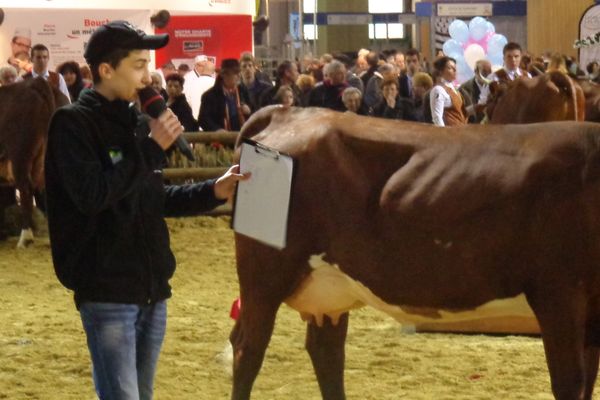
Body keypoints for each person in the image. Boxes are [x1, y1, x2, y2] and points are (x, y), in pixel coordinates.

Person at [44, 20, 249, 400]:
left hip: (152, 287)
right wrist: (152, 149)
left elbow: (154, 198)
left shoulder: (137, 123)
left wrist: (213, 191)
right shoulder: (72, 124)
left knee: (142, 393)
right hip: (107, 289)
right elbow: (92, 195)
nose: (148, 76)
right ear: (106, 70)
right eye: (138, 65)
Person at [199, 58, 252, 131]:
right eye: (235, 73)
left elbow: (255, 112)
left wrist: (249, 111)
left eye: (239, 72)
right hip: (220, 139)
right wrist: (216, 130)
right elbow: (203, 119)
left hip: (243, 137)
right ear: (224, 75)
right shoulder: (209, 96)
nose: (239, 76)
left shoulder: (243, 91)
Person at [430, 56, 468, 127]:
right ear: (441, 71)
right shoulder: (438, 89)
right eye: (450, 68)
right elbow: (437, 118)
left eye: (455, 68)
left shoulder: (455, 89)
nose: (455, 70)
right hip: (450, 133)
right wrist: (444, 134)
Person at [183, 55, 215, 121]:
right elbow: (186, 98)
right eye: (202, 66)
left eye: (205, 65)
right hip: (193, 115)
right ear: (196, 66)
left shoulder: (211, 78)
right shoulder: (188, 78)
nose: (204, 68)